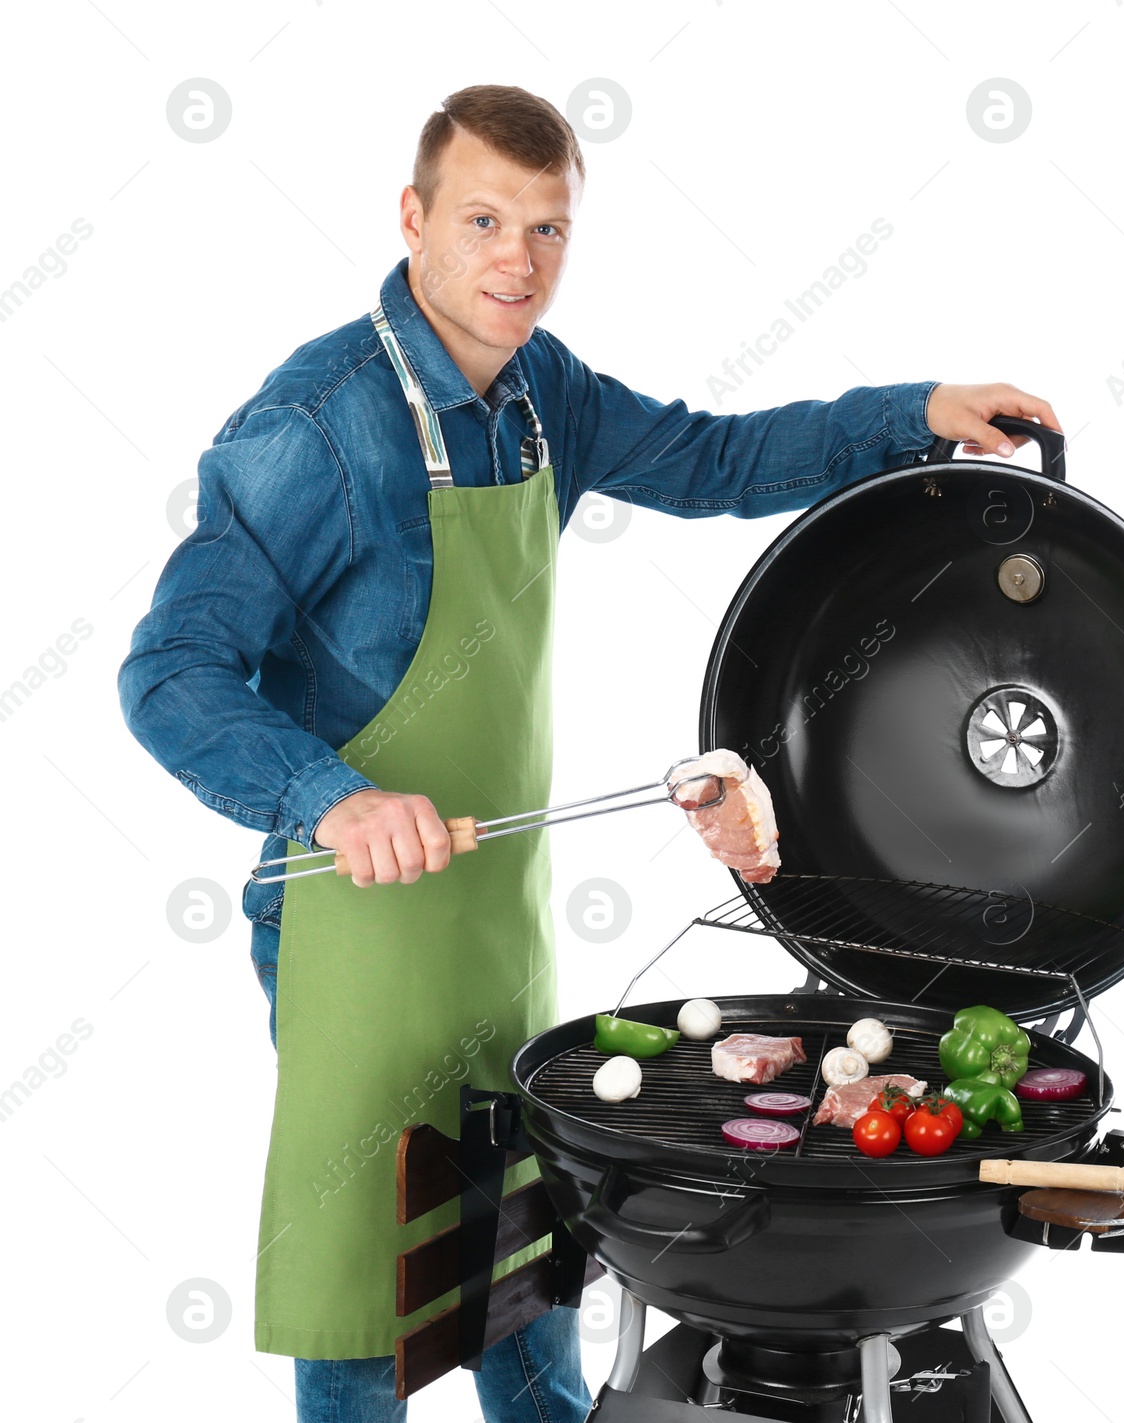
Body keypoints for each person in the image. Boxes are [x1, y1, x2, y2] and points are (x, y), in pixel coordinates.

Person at [118, 83, 1060, 1423]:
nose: (519, 260)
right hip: (353, 929)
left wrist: (913, 414)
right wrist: (330, 800)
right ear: (414, 218)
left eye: (549, 229)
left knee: (514, 1272)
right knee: (363, 1296)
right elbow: (166, 672)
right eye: (487, 220)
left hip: (493, 921)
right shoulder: (320, 425)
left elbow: (713, 456)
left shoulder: (542, 393)